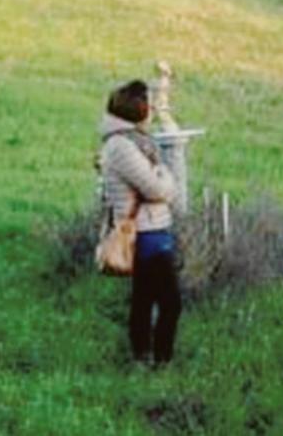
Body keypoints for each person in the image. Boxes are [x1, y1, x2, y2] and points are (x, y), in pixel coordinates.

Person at [99, 80, 181, 365]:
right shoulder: (123, 146)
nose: (151, 110)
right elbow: (158, 189)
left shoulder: (127, 140)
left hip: (150, 228)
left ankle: (141, 359)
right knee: (170, 302)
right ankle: (160, 362)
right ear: (137, 109)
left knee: (144, 299)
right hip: (147, 232)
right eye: (148, 104)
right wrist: (166, 177)